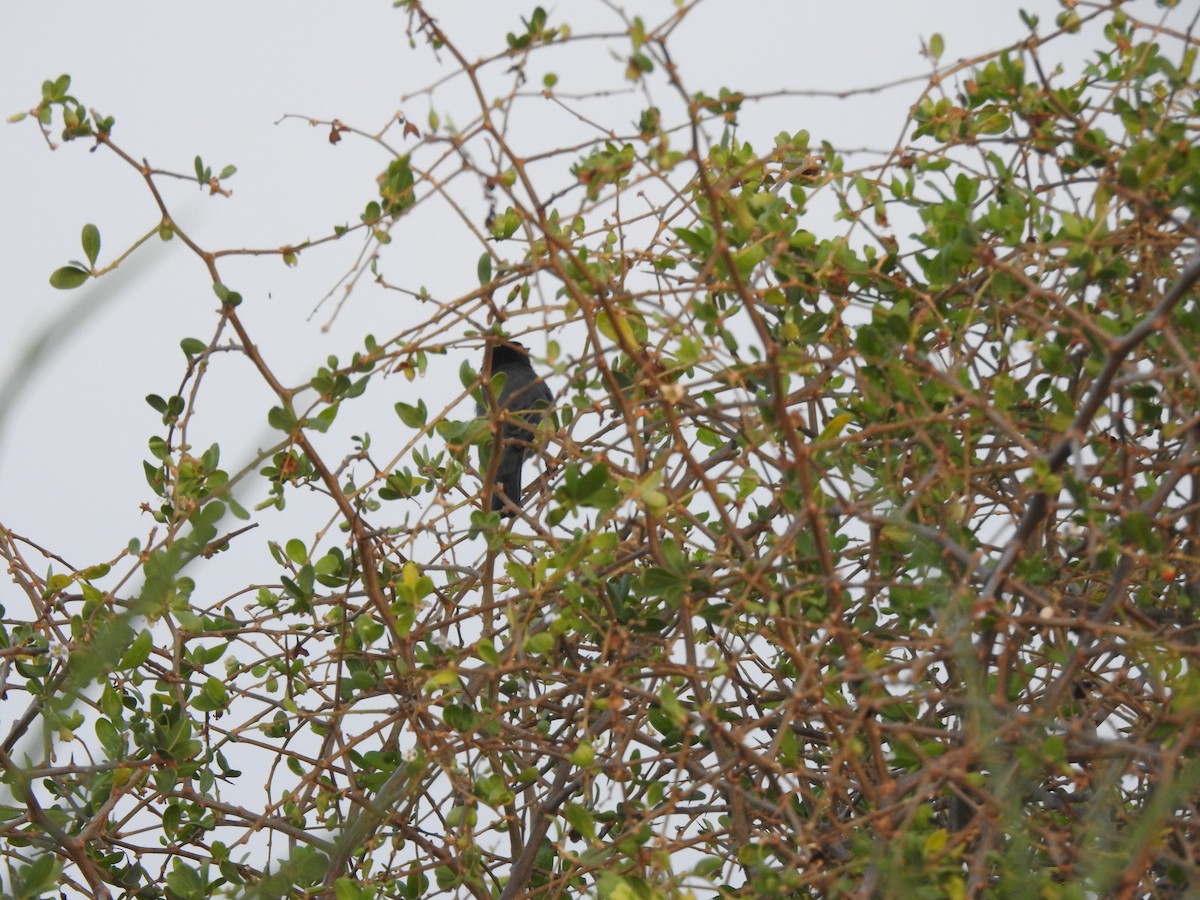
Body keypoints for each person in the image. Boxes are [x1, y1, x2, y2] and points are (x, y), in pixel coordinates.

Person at [477, 340, 553, 515]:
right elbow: (544, 415)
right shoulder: (534, 382)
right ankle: (504, 501)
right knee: (510, 462)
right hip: (528, 436)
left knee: (504, 464)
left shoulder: (487, 388)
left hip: (500, 441)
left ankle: (499, 503)